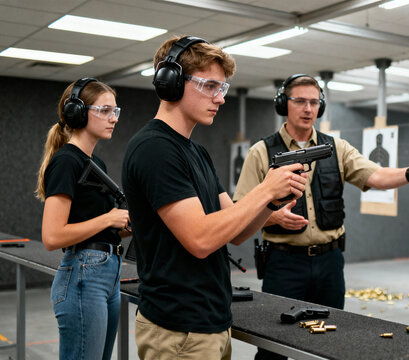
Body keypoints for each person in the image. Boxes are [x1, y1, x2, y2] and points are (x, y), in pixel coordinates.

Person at [121, 36, 307, 360]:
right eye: (210, 86)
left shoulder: (196, 152)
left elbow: (233, 232)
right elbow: (200, 239)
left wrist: (271, 202)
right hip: (178, 330)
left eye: (222, 88)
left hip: (209, 323)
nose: (220, 99)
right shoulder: (155, 149)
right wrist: (264, 189)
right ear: (172, 82)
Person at [233, 74, 409, 360]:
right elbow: (239, 211)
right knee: (272, 348)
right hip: (283, 263)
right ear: (284, 104)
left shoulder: (337, 148)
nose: (308, 109)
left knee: (333, 341)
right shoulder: (261, 152)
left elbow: (376, 175)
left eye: (314, 102)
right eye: (300, 101)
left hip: (329, 263)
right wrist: (274, 217)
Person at [35, 78, 130, 360]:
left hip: (107, 272)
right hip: (84, 275)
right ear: (77, 112)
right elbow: (52, 237)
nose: (113, 118)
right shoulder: (66, 161)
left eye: (115, 111)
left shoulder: (95, 164)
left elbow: (100, 227)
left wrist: (124, 224)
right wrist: (108, 219)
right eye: (104, 110)